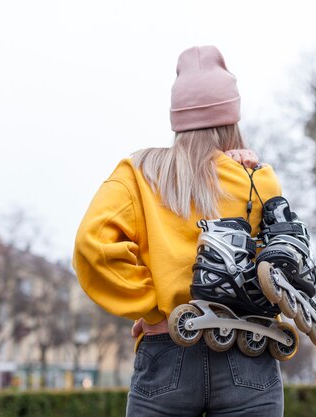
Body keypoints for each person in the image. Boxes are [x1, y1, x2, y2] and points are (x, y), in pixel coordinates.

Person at [73, 45, 284, 416]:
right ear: (232, 118)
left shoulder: (138, 174)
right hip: (248, 349)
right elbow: (276, 257)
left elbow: (93, 247)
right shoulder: (257, 179)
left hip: (169, 347)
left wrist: (153, 308)